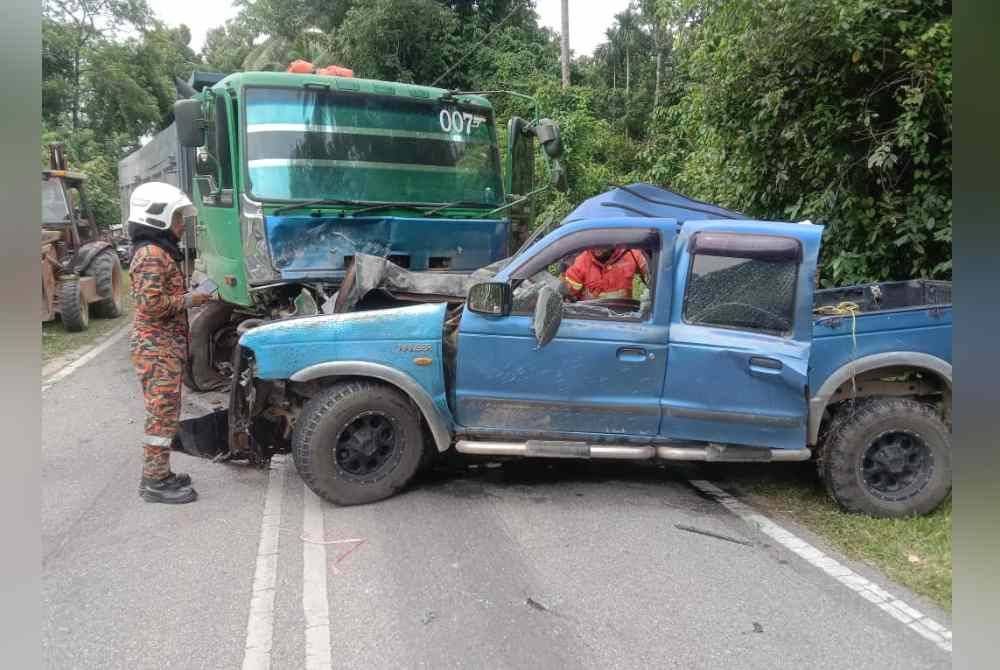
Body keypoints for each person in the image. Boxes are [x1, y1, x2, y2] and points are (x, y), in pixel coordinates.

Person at [127, 182, 214, 504]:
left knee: (166, 411)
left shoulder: (158, 252)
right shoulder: (151, 255)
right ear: (157, 218)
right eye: (177, 218)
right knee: (161, 414)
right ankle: (153, 481)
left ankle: (160, 473)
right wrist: (191, 299)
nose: (180, 225)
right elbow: (151, 305)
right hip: (156, 347)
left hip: (163, 346)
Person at [562, 246, 649, 302]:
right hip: (594, 318)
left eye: (602, 242)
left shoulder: (632, 254)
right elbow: (567, 293)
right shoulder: (581, 262)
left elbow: (653, 277)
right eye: (593, 241)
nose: (597, 246)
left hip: (625, 317)